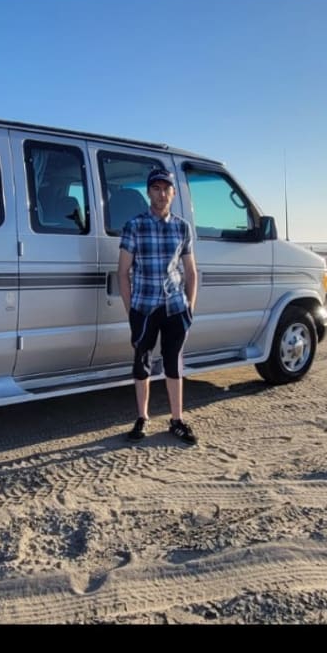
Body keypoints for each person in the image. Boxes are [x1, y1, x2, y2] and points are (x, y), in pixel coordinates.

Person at [117, 167, 199, 445]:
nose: (161, 194)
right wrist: (131, 311)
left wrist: (190, 307)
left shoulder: (182, 227)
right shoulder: (134, 226)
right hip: (144, 307)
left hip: (175, 306)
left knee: (174, 362)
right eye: (156, 188)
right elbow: (123, 272)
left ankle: (177, 420)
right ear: (149, 192)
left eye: (166, 189)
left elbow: (190, 271)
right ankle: (142, 418)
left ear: (173, 194)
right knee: (142, 363)